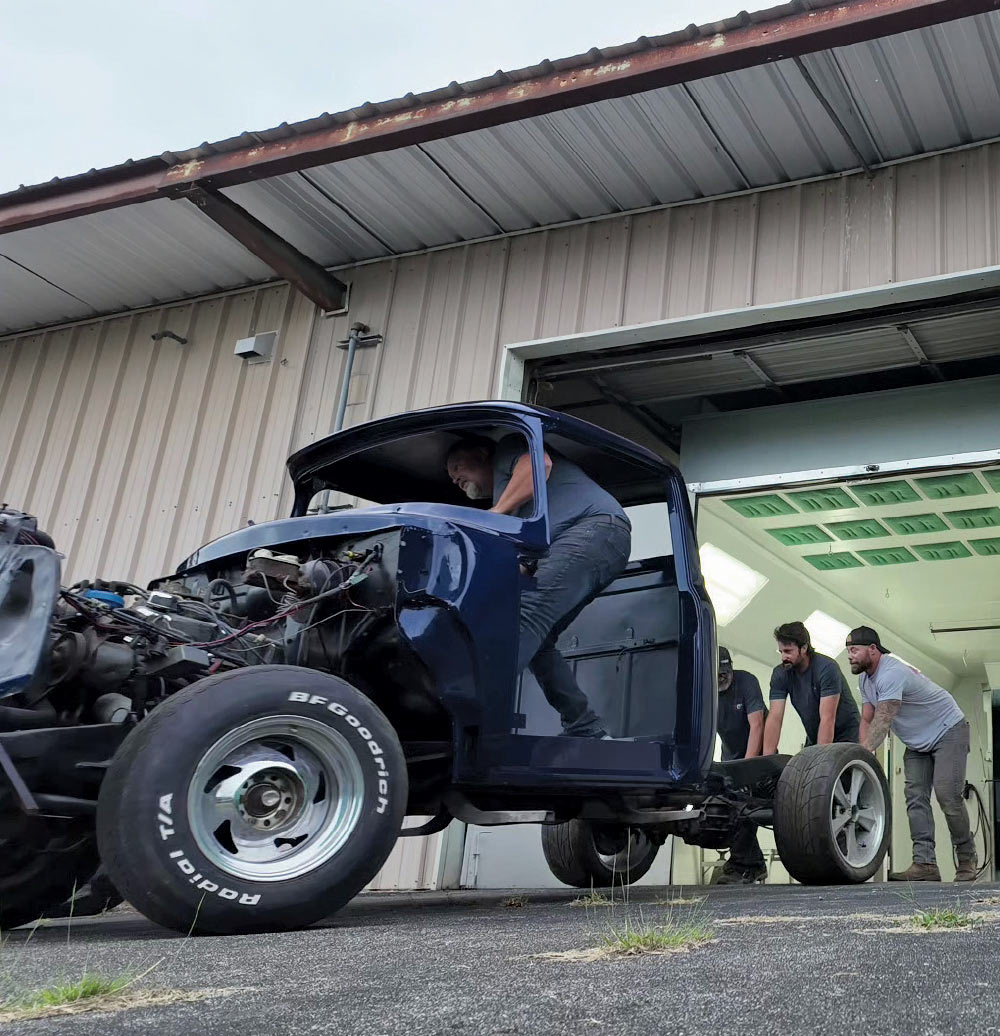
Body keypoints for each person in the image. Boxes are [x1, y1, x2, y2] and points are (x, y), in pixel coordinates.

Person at [445, 434, 631, 738]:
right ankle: (584, 726)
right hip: (590, 542)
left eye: (456, 466)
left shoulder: (509, 447)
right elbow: (520, 566)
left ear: (481, 454)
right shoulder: (516, 503)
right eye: (451, 476)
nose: (454, 478)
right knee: (537, 640)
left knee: (521, 619)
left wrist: (496, 514)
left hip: (594, 529)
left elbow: (539, 464)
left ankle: (470, 719)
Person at [846, 626, 976, 882]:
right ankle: (925, 864)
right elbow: (867, 718)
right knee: (915, 797)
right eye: (848, 650)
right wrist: (861, 755)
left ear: (873, 649)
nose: (850, 656)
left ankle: (966, 860)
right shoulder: (864, 679)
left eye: (854, 650)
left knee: (947, 796)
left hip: (948, 730)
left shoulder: (891, 672)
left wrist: (866, 753)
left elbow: (884, 718)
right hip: (917, 743)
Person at [763, 620, 860, 753]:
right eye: (781, 652)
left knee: (823, 768)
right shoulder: (780, 674)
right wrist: (767, 761)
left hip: (847, 734)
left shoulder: (827, 669)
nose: (783, 657)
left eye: (788, 651)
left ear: (804, 648)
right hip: (815, 734)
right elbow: (775, 717)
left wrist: (819, 762)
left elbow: (827, 718)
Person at [715, 647, 768, 885]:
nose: (721, 678)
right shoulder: (704, 689)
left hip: (759, 756)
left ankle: (744, 866)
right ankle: (752, 863)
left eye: (725, 672)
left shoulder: (747, 682)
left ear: (731, 668)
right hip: (729, 758)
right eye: (716, 673)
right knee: (728, 807)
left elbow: (757, 725)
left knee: (746, 804)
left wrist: (747, 769)